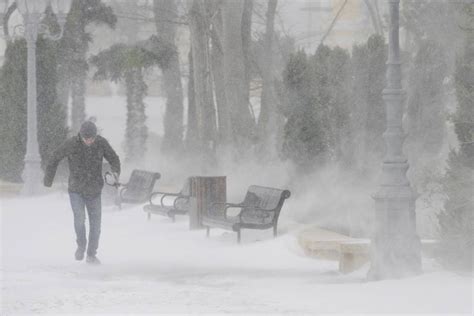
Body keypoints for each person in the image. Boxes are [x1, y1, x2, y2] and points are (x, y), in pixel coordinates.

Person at [44, 121, 120, 264]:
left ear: (95, 136)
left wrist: (115, 172)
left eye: (91, 138)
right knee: (79, 219)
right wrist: (48, 180)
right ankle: (81, 245)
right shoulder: (72, 144)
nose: (89, 141)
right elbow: (54, 158)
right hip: (76, 189)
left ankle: (91, 254)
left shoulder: (101, 143)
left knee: (96, 225)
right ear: (81, 135)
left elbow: (114, 158)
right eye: (86, 138)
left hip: (95, 190)